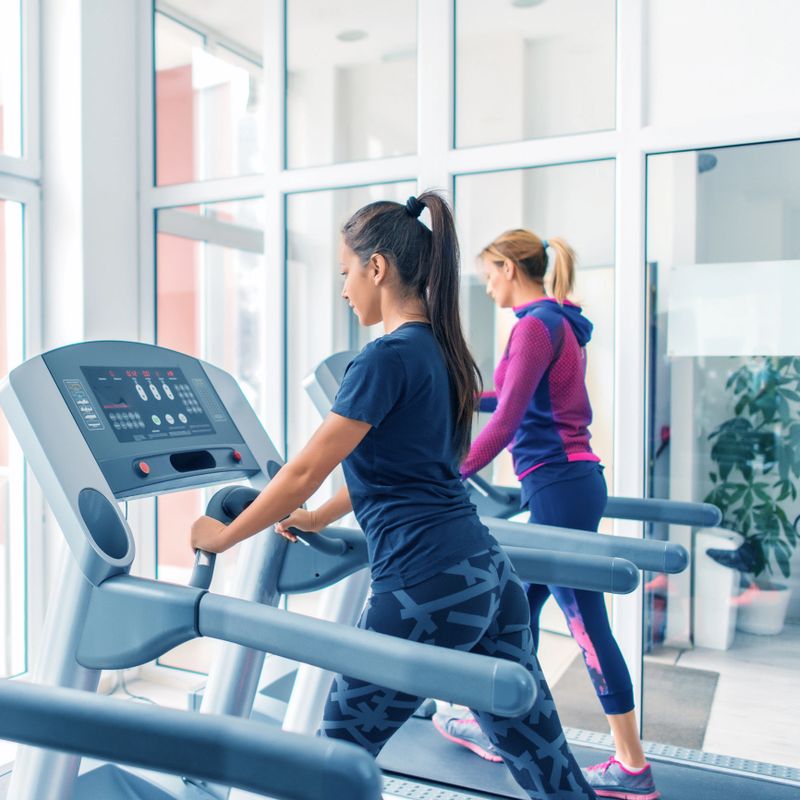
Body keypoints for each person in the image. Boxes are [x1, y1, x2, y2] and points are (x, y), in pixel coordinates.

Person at [191, 193, 597, 800]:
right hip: (487, 578)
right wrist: (320, 515)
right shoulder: (443, 351)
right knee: (544, 761)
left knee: (335, 763)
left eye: (345, 273)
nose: (344, 289)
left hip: (421, 588)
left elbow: (304, 468)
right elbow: (405, 467)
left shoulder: (382, 357)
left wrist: (220, 537)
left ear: (376, 268)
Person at [432, 228, 659, 800]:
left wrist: (448, 472)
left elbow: (506, 423)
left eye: (488, 274)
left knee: (584, 622)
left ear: (510, 268)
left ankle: (632, 766)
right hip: (564, 486)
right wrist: (445, 393)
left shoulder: (535, 326)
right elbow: (503, 397)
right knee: (515, 613)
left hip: (560, 487)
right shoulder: (551, 322)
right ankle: (503, 727)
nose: (486, 287)